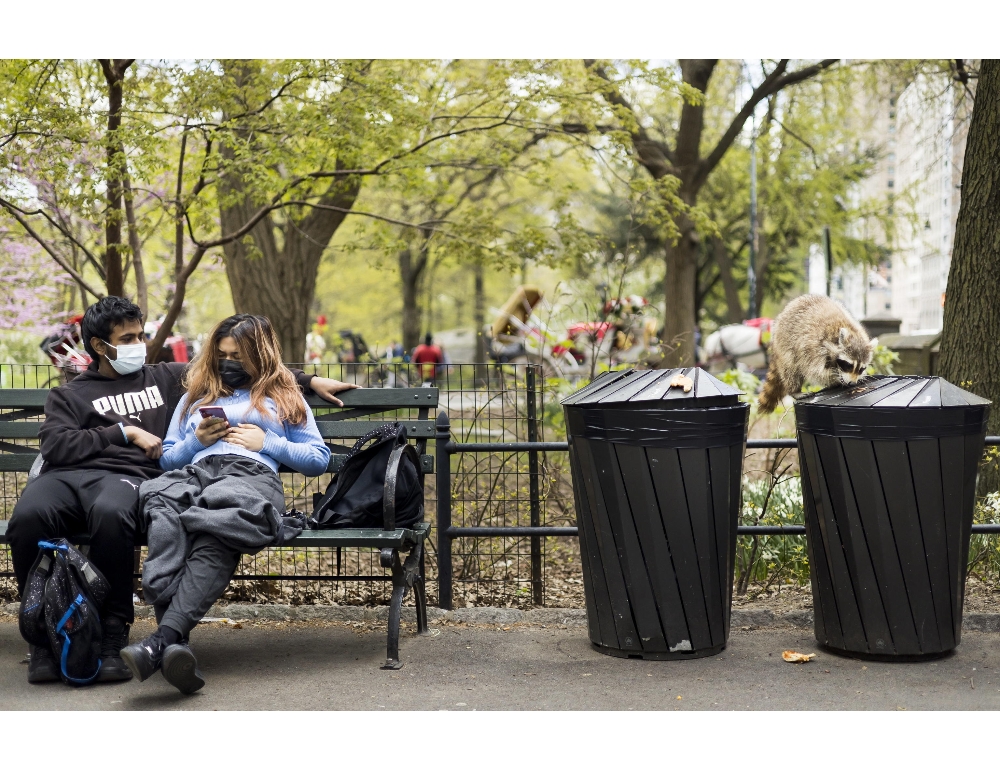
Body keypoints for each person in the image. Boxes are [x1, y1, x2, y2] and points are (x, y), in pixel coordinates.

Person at [8, 296, 356, 685]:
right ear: (99, 346)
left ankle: (133, 635)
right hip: (120, 477)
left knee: (151, 517)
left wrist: (301, 388)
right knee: (45, 517)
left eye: (140, 335)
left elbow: (257, 366)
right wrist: (156, 435)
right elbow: (68, 447)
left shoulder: (166, 376)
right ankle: (49, 638)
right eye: (128, 338)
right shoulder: (80, 393)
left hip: (180, 478)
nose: (138, 344)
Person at [119, 314, 331, 694]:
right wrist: (196, 442)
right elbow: (168, 459)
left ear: (260, 355)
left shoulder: (283, 396)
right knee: (164, 508)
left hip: (249, 477)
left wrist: (267, 443)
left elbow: (318, 459)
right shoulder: (194, 398)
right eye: (222, 355)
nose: (228, 363)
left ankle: (160, 642)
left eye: (238, 356)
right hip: (196, 475)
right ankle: (172, 646)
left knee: (216, 527)